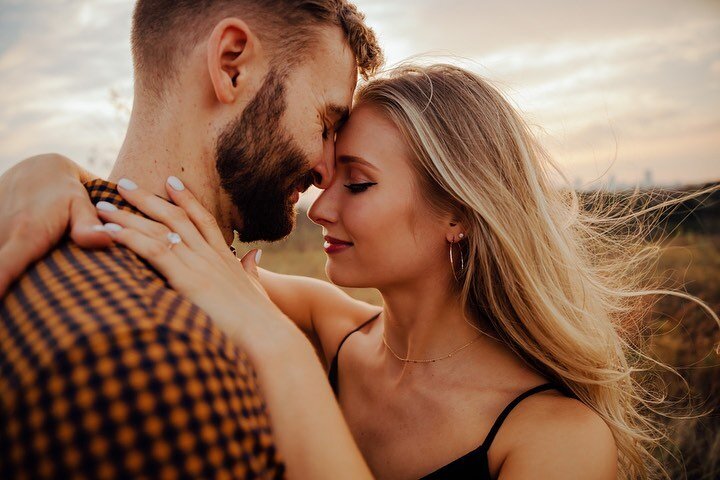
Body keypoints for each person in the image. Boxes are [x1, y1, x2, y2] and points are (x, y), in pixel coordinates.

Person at [6, 63, 715, 479]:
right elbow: (169, 244)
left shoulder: (556, 437)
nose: (320, 209)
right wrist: (54, 172)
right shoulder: (324, 323)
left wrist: (282, 355)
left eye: (359, 183)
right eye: (326, 178)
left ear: (459, 214)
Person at [0, 0, 384, 478]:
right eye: (325, 125)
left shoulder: (44, 246)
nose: (325, 172)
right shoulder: (158, 359)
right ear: (231, 65)